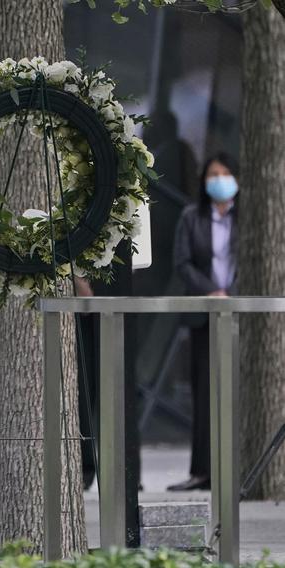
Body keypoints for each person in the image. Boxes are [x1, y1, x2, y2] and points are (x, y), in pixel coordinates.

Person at [169, 153, 239, 491]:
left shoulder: (249, 219)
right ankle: (203, 470)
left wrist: (234, 294)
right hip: (205, 313)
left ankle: (239, 466)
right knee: (205, 391)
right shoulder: (191, 217)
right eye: (214, 174)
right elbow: (182, 263)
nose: (220, 180)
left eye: (226, 173)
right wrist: (213, 292)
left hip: (242, 313)